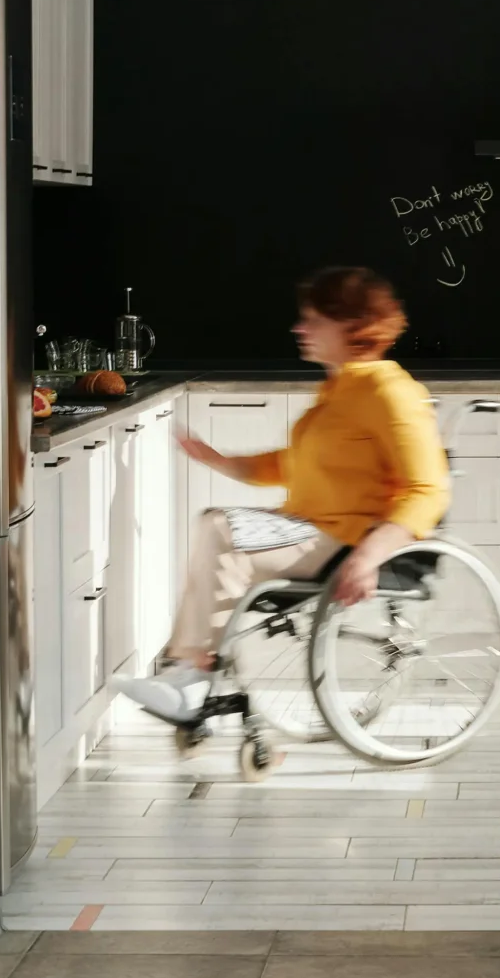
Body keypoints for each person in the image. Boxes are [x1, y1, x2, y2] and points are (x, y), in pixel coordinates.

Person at [113, 266, 449, 724]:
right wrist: (216, 459)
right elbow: (288, 464)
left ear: (352, 326)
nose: (299, 328)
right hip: (310, 529)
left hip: (342, 538)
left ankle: (191, 678)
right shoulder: (340, 391)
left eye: (312, 319)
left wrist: (369, 557)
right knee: (219, 530)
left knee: (220, 529)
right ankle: (191, 677)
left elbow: (427, 489)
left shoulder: (389, 391)